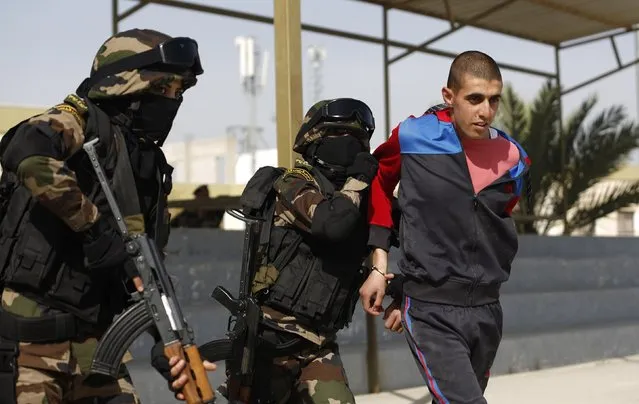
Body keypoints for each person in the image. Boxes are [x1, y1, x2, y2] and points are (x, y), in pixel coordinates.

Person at [0, 28, 203, 403]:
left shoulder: (148, 167)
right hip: (30, 345)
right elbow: (28, 156)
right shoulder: (78, 121)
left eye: (180, 92)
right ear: (129, 86)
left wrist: (168, 342)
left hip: (98, 350)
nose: (175, 101)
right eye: (167, 89)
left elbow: (144, 269)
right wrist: (94, 228)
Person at [159, 98, 403, 403]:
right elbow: (331, 224)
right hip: (267, 343)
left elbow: (374, 249)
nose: (351, 146)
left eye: (357, 139)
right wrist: (360, 179)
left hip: (318, 345)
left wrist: (397, 288)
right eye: (340, 137)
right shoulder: (293, 184)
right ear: (315, 142)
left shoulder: (356, 201)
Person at [359, 50, 532, 404]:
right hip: (430, 310)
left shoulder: (514, 159)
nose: (485, 111)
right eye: (474, 99)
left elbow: (487, 223)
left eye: (493, 100)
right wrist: (381, 264)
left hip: (487, 310)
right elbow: (377, 184)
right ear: (448, 97)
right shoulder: (413, 137)